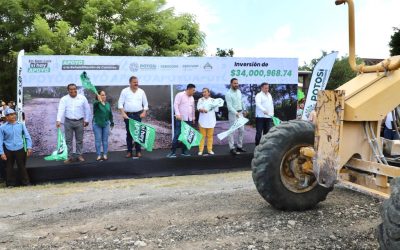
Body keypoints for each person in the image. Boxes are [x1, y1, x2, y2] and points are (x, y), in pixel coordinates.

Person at [56, 83, 91, 164]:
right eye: (70, 89)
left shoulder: (82, 98)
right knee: (68, 140)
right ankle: (70, 157)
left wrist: (87, 120)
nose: (72, 91)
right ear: (68, 90)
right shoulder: (64, 99)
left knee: (79, 140)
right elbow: (61, 110)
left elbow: (87, 109)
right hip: (68, 122)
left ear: (76, 89)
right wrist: (58, 120)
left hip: (80, 122)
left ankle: (79, 155)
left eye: (74, 89)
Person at [0, 108, 33, 187]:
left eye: (13, 114)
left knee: (22, 166)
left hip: (20, 148)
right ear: (6, 117)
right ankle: (10, 184)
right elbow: (0, 141)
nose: (13, 116)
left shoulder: (21, 124)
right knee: (9, 168)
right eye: (10, 115)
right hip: (8, 149)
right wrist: (1, 153)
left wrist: (29, 147)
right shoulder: (2, 127)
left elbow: (27, 136)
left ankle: (26, 183)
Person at [118, 76, 149, 159]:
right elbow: (120, 103)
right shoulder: (124, 91)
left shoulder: (141, 92)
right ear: (130, 83)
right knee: (129, 133)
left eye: (137, 82)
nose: (136, 83)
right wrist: (123, 113)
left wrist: (144, 112)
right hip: (128, 116)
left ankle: (138, 151)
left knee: (138, 133)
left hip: (138, 115)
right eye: (134, 82)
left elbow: (146, 104)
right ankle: (129, 152)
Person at [167, 84, 196, 158]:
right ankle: (172, 152)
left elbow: (192, 108)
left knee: (186, 136)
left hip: (189, 119)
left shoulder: (192, 97)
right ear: (189, 89)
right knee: (177, 135)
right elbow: (175, 105)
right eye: (193, 90)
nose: (194, 92)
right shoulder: (180, 95)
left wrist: (193, 117)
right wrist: (177, 114)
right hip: (180, 119)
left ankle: (184, 151)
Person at [225, 78, 247, 155]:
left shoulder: (239, 91)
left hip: (240, 113)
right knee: (231, 131)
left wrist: (244, 109)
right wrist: (236, 113)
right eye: (235, 83)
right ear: (231, 84)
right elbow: (229, 106)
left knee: (242, 130)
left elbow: (241, 101)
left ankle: (239, 146)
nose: (236, 85)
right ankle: (232, 148)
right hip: (232, 114)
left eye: (237, 83)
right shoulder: (228, 94)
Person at [93, 90, 114, 161]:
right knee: (98, 140)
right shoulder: (96, 103)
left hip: (106, 124)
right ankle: (98, 155)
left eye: (104, 95)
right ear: (98, 96)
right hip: (97, 124)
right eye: (102, 95)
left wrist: (112, 122)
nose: (104, 96)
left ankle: (105, 154)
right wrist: (99, 101)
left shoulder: (107, 104)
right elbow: (95, 104)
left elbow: (110, 114)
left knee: (105, 140)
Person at [197, 88, 218, 155]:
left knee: (210, 136)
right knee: (202, 136)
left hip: (211, 121)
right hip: (202, 121)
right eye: (203, 92)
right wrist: (202, 110)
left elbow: (216, 110)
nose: (204, 93)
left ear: (209, 93)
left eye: (205, 92)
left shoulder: (213, 100)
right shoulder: (200, 100)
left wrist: (216, 105)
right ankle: (200, 150)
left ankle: (209, 150)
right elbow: (198, 108)